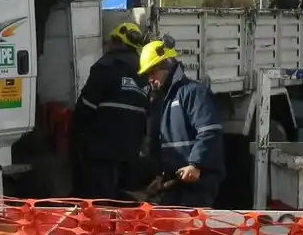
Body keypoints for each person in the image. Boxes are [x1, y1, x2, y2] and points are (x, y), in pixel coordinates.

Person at [139, 38, 225, 208]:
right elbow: (157, 142)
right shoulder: (160, 101)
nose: (149, 79)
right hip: (175, 185)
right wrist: (160, 177)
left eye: (152, 72)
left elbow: (209, 131)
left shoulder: (193, 92)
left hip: (198, 185)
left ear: (166, 66)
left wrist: (195, 164)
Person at [71, 21, 149, 201]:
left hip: (101, 150)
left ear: (116, 41)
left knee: (100, 200)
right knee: (124, 200)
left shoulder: (106, 65)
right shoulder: (144, 71)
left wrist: (76, 136)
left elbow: (86, 107)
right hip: (131, 151)